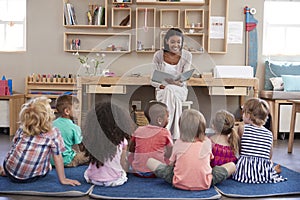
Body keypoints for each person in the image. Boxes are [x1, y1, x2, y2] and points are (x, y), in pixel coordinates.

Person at [146, 109, 236, 191]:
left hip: (178, 183)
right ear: (202, 127)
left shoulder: (178, 143)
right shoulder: (207, 142)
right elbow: (209, 161)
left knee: (150, 161)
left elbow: (171, 164)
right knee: (232, 165)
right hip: (205, 183)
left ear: (181, 128)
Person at [0, 97, 80, 186]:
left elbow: (14, 146)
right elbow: (58, 157)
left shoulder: (22, 129)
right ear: (47, 117)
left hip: (9, 170)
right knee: (49, 165)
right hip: (32, 177)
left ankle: (5, 171)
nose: (53, 111)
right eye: (50, 110)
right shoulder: (53, 133)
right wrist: (63, 179)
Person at [151, 28, 192, 140]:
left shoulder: (187, 55)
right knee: (170, 90)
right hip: (163, 91)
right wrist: (165, 84)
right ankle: (176, 135)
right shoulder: (158, 55)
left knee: (171, 89)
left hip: (180, 91)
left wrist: (174, 83)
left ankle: (164, 131)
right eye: (173, 42)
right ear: (167, 41)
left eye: (179, 42)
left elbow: (184, 80)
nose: (176, 45)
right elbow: (153, 81)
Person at [232, 98, 286, 183]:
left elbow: (240, 151)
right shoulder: (269, 134)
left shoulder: (242, 128)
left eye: (243, 113)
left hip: (244, 172)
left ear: (248, 115)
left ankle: (269, 170)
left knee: (235, 163)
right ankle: (272, 170)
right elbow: (269, 156)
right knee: (268, 162)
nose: (242, 116)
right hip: (263, 172)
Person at [82, 101, 136, 187]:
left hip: (92, 179)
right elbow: (122, 164)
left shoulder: (92, 139)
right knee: (123, 173)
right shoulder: (122, 141)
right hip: (114, 180)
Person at [128, 101, 173, 178]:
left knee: (130, 156)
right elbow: (171, 152)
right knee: (170, 160)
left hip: (137, 171)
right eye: (167, 117)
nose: (168, 120)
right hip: (156, 172)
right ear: (160, 120)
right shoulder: (165, 132)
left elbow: (131, 148)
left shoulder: (138, 130)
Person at [52, 95, 89, 167]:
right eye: (76, 108)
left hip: (52, 161)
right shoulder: (74, 128)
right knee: (90, 156)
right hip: (66, 161)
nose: (79, 111)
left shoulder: (52, 124)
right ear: (67, 111)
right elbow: (81, 146)